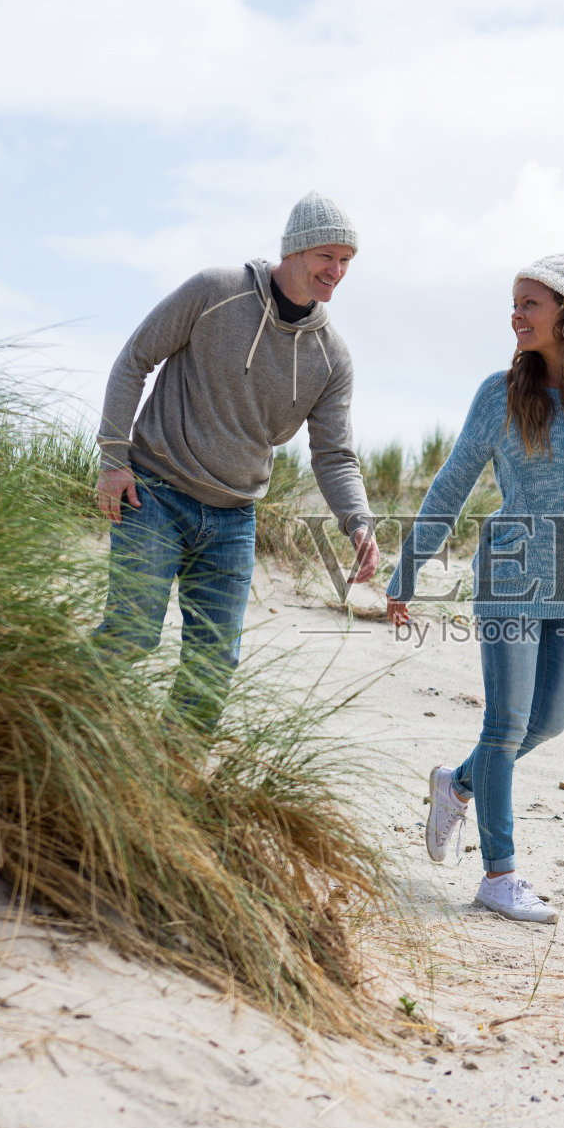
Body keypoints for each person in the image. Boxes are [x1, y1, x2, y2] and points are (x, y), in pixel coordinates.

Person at [386, 245, 564, 922]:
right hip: (509, 578)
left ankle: (455, 784)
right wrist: (407, 571)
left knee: (545, 723)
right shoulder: (499, 393)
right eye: (514, 303)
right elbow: (451, 486)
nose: (514, 315)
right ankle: (498, 874)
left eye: (529, 304)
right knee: (505, 723)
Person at [94, 189, 378, 729]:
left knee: (211, 670)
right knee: (130, 636)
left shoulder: (331, 356)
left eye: (346, 261)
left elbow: (334, 453)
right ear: (295, 250)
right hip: (154, 492)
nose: (337, 271)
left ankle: (168, 790)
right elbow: (134, 360)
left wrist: (358, 521)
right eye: (327, 257)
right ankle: (33, 724)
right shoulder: (215, 291)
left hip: (233, 520)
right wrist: (113, 457)